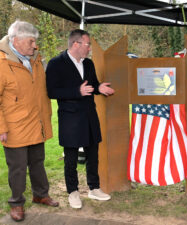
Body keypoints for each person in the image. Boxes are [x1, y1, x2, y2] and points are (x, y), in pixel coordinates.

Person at [0, 20, 59, 222]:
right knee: (17, 169)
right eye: (31, 41)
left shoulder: (36, 60)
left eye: (35, 42)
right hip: (14, 128)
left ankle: (41, 194)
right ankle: (16, 203)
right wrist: (0, 129)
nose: (35, 46)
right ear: (16, 40)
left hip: (37, 124)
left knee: (38, 163)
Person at [46, 29, 115, 209]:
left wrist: (100, 88)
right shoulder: (55, 63)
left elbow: (91, 85)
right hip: (70, 119)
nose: (90, 48)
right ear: (76, 44)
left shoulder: (89, 64)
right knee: (71, 158)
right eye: (87, 44)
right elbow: (51, 91)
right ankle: (73, 192)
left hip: (90, 116)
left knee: (93, 154)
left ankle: (94, 188)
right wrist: (77, 92)